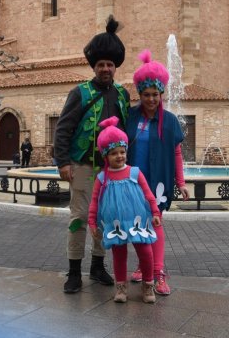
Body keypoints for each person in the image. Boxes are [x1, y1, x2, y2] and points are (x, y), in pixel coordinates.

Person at [54, 15, 131, 293]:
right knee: (79, 217)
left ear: (115, 66)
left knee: (106, 217)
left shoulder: (122, 95)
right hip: (83, 166)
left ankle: (98, 267)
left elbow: (127, 130)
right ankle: (74, 271)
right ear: (94, 67)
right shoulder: (81, 93)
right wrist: (62, 161)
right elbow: (63, 127)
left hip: (111, 171)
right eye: (101, 65)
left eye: (110, 64)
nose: (106, 69)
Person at [126, 49, 190, 296]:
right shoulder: (130, 117)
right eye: (146, 95)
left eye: (155, 94)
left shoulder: (171, 121)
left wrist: (181, 182)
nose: (151, 99)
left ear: (161, 93)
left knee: (155, 223)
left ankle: (158, 272)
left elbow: (176, 153)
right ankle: (144, 267)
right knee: (136, 224)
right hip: (132, 182)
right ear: (139, 94)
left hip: (157, 181)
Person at [88, 117, 161, 303]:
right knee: (118, 254)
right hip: (116, 223)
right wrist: (92, 223)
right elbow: (95, 202)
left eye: (122, 151)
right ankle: (121, 287)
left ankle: (147, 285)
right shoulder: (102, 178)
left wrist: (155, 212)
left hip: (138, 219)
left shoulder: (135, 172)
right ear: (106, 156)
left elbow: (148, 194)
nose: (119, 156)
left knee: (145, 251)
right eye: (114, 153)